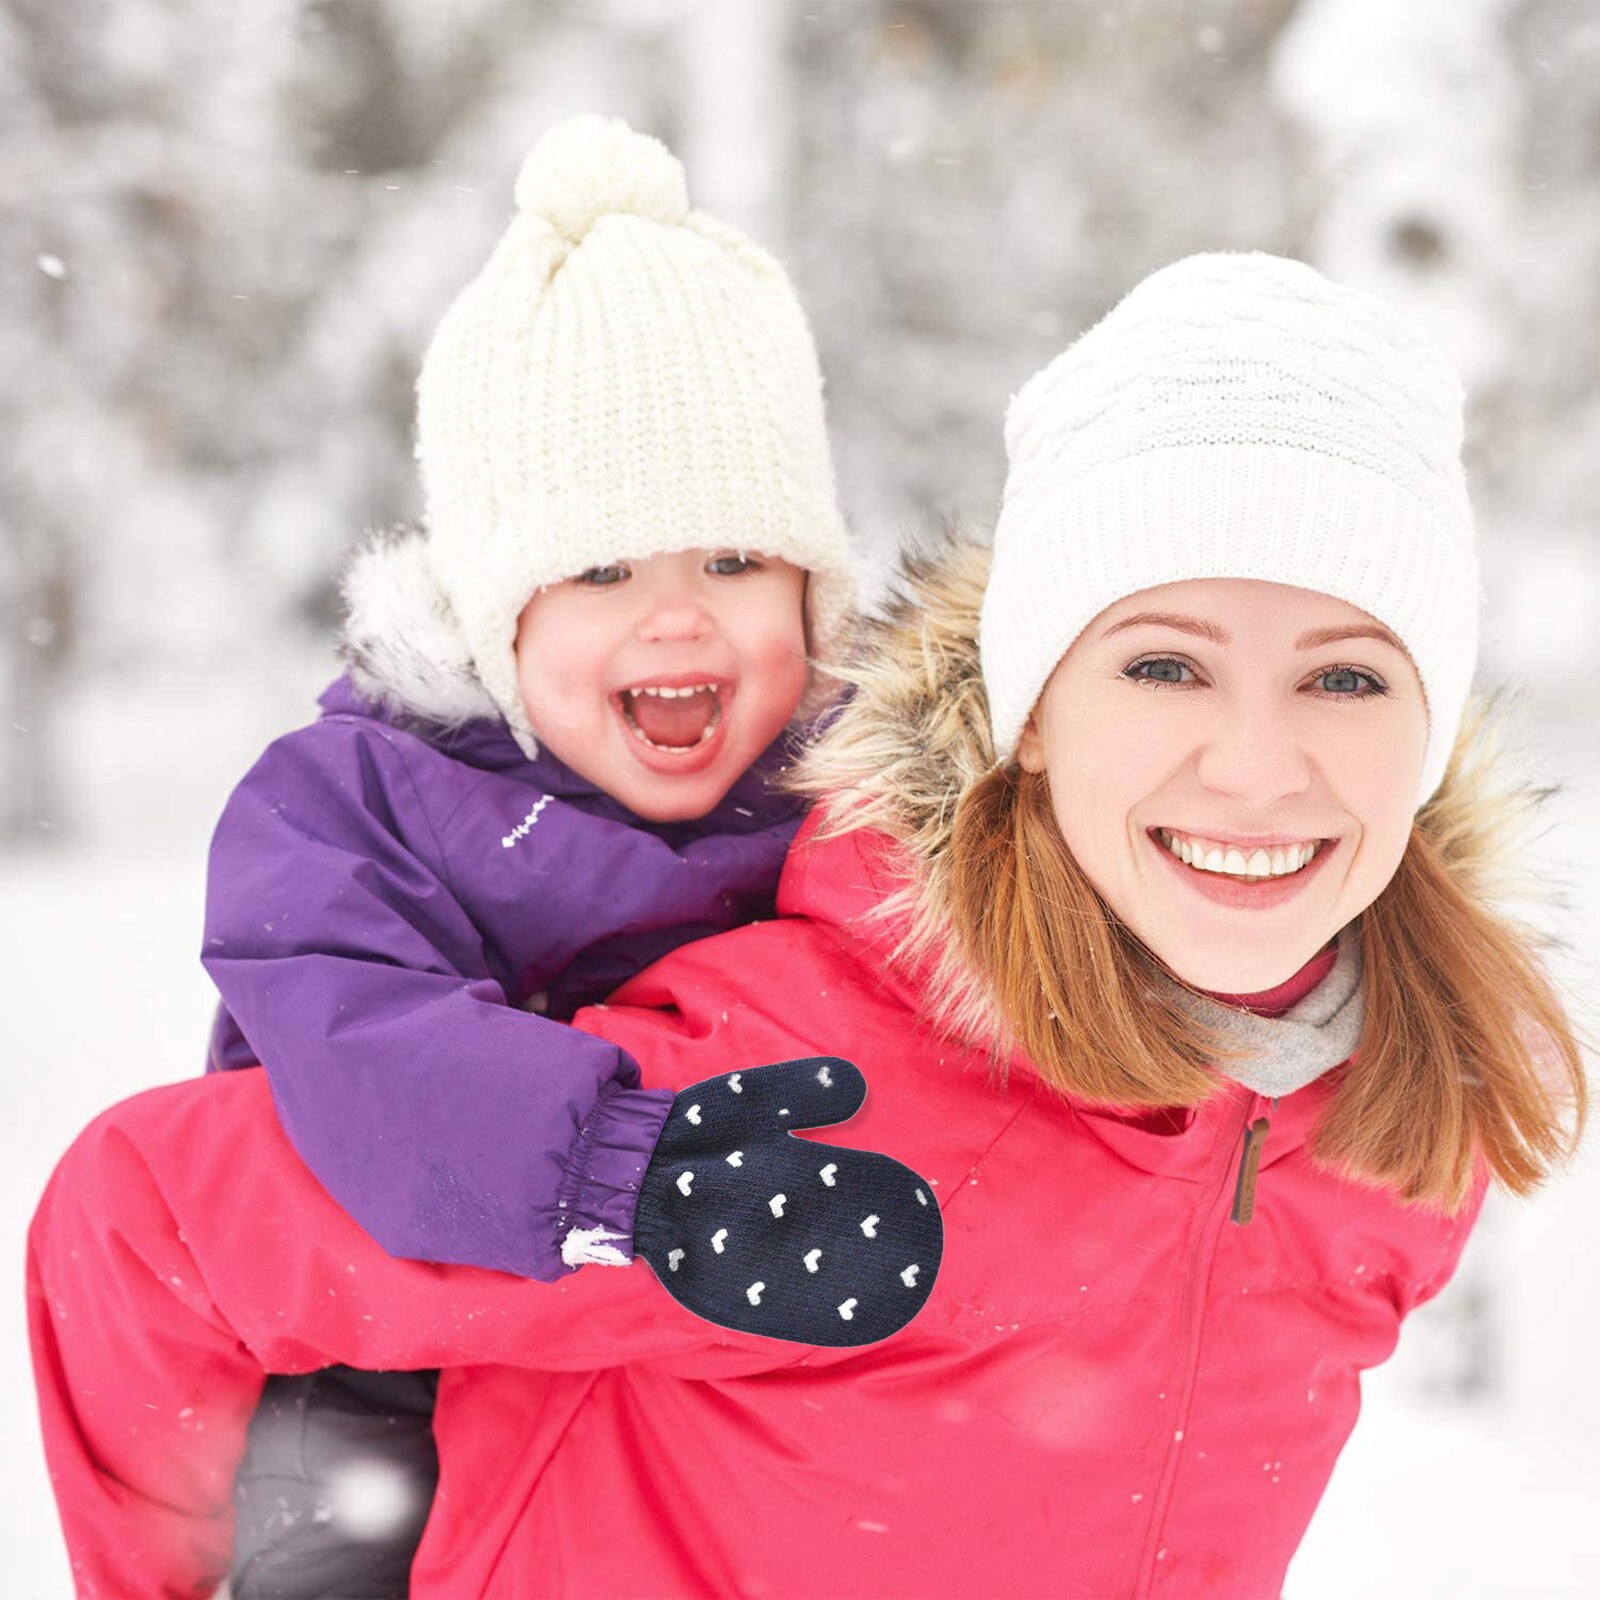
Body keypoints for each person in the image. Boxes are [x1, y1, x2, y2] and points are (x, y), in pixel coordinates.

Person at [30, 252, 1588, 1597]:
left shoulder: (1398, 1121)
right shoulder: (800, 1085)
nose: (1256, 765)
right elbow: (146, 1227)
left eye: (1347, 676)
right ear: (1031, 716)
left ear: (1434, 728)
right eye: (1165, 667)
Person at [64, 111, 940, 1598]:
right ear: (498, 619)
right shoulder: (361, 800)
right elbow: (367, 1047)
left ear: (814, 594)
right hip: (384, 1380)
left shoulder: (857, 804)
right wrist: (610, 1161)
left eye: (735, 560)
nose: (679, 618)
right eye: (602, 569)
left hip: (705, 1370)